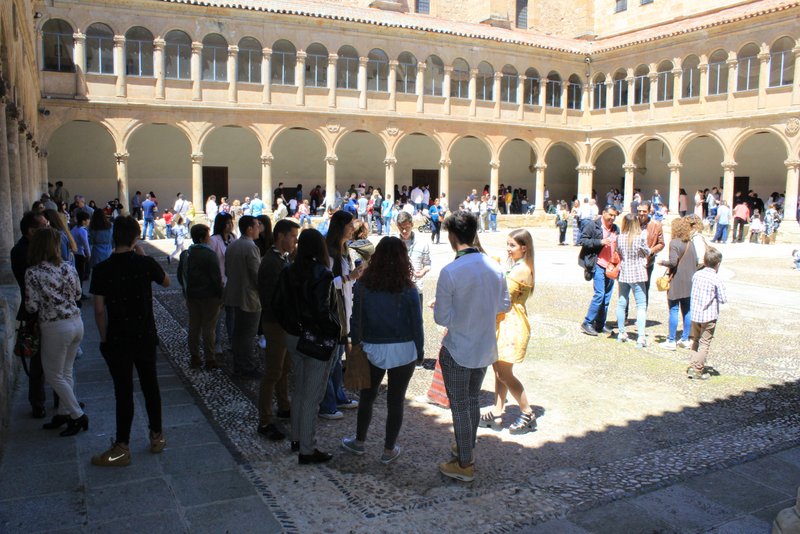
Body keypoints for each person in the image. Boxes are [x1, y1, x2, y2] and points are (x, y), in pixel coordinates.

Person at [434, 212, 510, 482]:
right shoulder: (494, 266)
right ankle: (466, 447)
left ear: (452, 236)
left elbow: (441, 317)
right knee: (473, 400)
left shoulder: (451, 271)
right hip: (484, 345)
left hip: (459, 347)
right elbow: (504, 305)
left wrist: (460, 310)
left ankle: (465, 463)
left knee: (459, 405)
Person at [90, 216, 170, 466]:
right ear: (135, 238)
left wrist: (104, 338)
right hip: (144, 334)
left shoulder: (102, 269)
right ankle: (157, 436)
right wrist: (143, 255)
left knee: (123, 391)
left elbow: (99, 310)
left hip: (118, 337)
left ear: (114, 237)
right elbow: (166, 281)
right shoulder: (145, 264)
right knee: (150, 385)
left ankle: (122, 447)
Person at [340, 237, 424, 464]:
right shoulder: (409, 289)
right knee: (396, 401)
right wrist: (420, 351)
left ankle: (359, 442)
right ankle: (388, 450)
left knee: (367, 397)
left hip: (372, 347)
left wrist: (356, 344)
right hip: (404, 349)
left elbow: (356, 319)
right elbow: (417, 323)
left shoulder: (363, 286)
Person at [273, 229, 340, 464]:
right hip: (315, 338)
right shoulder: (322, 273)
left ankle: (297, 438)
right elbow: (322, 311)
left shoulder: (288, 270)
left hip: (293, 335)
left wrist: (292, 327)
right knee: (312, 395)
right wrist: (334, 331)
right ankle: (307, 449)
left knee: (300, 390)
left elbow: (277, 304)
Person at [24, 228, 86, 435]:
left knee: (53, 375)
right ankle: (63, 413)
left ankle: (77, 415)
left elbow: (31, 306)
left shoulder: (33, 273)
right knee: (66, 372)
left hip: (55, 326)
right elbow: (78, 294)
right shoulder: (68, 267)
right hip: (76, 322)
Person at [480, 229, 536, 434]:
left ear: (524, 247)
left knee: (504, 372)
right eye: (508, 244)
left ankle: (527, 412)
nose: (508, 249)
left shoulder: (522, 269)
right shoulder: (517, 266)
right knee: (498, 370)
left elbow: (502, 295)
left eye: (512, 245)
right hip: (504, 322)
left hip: (512, 324)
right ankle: (497, 411)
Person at [256, 219, 300, 441]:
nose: (295, 242)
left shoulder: (281, 259)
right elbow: (271, 298)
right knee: (273, 371)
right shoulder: (271, 262)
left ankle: (284, 406)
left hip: (284, 323)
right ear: (281, 236)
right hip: (276, 323)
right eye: (293, 237)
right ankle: (264, 421)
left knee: (284, 368)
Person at [319, 211, 363, 419]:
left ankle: (338, 396)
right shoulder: (329, 252)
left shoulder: (344, 250)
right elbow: (325, 283)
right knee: (330, 359)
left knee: (337, 358)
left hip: (343, 310)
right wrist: (349, 277)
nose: (353, 228)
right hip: (333, 312)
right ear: (340, 227)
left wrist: (354, 276)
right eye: (350, 225)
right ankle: (327, 404)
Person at [10, 212, 50, 418]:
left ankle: (63, 399)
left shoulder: (39, 247)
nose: (48, 228)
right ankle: (37, 402)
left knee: (59, 358)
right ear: (32, 231)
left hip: (51, 310)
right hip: (35, 311)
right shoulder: (21, 251)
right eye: (44, 226)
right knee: (37, 361)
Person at [177, 224, 223, 370]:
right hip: (209, 296)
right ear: (203, 238)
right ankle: (210, 358)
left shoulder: (186, 254)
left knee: (194, 326)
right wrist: (220, 295)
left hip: (192, 296)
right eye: (208, 235)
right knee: (209, 328)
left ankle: (195, 357)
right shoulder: (209, 254)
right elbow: (216, 278)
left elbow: (180, 275)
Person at [224, 215, 263, 378]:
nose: (259, 228)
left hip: (235, 294)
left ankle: (239, 364)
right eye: (257, 225)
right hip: (249, 297)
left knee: (238, 333)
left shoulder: (233, 245)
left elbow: (227, 270)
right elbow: (256, 274)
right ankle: (247, 366)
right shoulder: (250, 247)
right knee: (248, 334)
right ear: (249, 229)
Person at [687, 247, 727, 380]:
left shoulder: (697, 275)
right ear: (718, 264)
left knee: (695, 340)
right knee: (704, 343)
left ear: (704, 261)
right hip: (709, 316)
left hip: (695, 314)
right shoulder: (716, 278)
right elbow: (723, 299)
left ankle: (692, 366)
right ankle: (698, 370)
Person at [579, 205, 620, 336]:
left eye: (614, 216)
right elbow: (582, 240)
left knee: (607, 297)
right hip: (598, 264)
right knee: (599, 294)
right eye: (610, 215)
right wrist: (600, 242)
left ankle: (600, 324)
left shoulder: (615, 228)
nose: (612, 218)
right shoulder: (593, 225)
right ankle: (587, 322)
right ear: (603, 213)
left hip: (611, 266)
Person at [658, 217, 697, 351]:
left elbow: (673, 262)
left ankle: (671, 340)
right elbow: (696, 261)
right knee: (687, 310)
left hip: (677, 280)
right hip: (690, 281)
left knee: (674, 309)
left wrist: (662, 262)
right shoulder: (690, 243)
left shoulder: (674, 243)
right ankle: (685, 339)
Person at [615, 214, 650, 347]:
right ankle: (641, 337)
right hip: (637, 273)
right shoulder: (640, 237)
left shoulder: (620, 237)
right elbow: (646, 252)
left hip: (624, 272)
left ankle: (621, 332)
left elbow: (618, 252)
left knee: (621, 302)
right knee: (641, 305)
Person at [397, 211, 431, 316]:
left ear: (412, 224)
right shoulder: (393, 243)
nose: (404, 231)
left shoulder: (422, 243)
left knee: (416, 320)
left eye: (407, 227)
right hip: (397, 289)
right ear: (397, 226)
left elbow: (427, 264)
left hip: (416, 289)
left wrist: (423, 271)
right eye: (401, 228)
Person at [636, 201, 664, 308]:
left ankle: (643, 311)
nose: (641, 213)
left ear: (649, 211)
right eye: (639, 211)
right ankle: (625, 314)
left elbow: (661, 243)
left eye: (644, 211)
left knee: (644, 288)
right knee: (627, 288)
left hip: (647, 262)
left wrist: (651, 251)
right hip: (632, 261)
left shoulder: (656, 225)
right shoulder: (632, 223)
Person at [70, 211, 91, 290]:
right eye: (88, 219)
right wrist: (89, 255)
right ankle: (80, 291)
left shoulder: (74, 228)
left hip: (74, 253)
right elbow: (86, 245)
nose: (89, 221)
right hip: (81, 254)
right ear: (83, 221)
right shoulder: (83, 231)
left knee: (76, 273)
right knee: (80, 274)